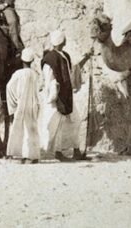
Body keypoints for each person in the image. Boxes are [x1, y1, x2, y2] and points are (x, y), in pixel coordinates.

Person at [40, 31, 87, 162]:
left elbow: (73, 70)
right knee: (57, 125)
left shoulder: (64, 55)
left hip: (67, 95)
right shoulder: (49, 59)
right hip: (56, 97)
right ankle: (58, 152)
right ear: (62, 41)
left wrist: (86, 58)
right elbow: (49, 79)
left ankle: (76, 150)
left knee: (75, 120)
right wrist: (54, 97)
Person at [6, 48, 41, 164]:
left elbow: (9, 87)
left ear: (22, 60)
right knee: (31, 129)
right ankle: (32, 156)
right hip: (32, 105)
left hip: (21, 105)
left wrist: (13, 102)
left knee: (18, 128)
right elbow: (38, 90)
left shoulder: (18, 74)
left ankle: (18, 155)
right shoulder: (35, 74)